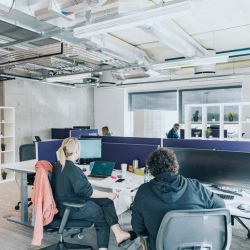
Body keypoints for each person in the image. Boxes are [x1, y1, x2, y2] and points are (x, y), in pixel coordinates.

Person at [131, 148, 225, 250]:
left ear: (151, 169)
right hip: (194, 247)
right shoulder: (195, 186)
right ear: (176, 166)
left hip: (160, 247)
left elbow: (138, 228)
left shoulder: (143, 191)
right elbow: (220, 206)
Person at [52, 138, 136, 250]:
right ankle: (103, 248)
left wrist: (83, 178)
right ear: (76, 151)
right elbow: (89, 192)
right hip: (73, 208)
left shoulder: (58, 165)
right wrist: (108, 194)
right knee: (101, 214)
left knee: (106, 202)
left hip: (68, 203)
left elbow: (73, 184)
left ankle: (119, 233)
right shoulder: (73, 169)